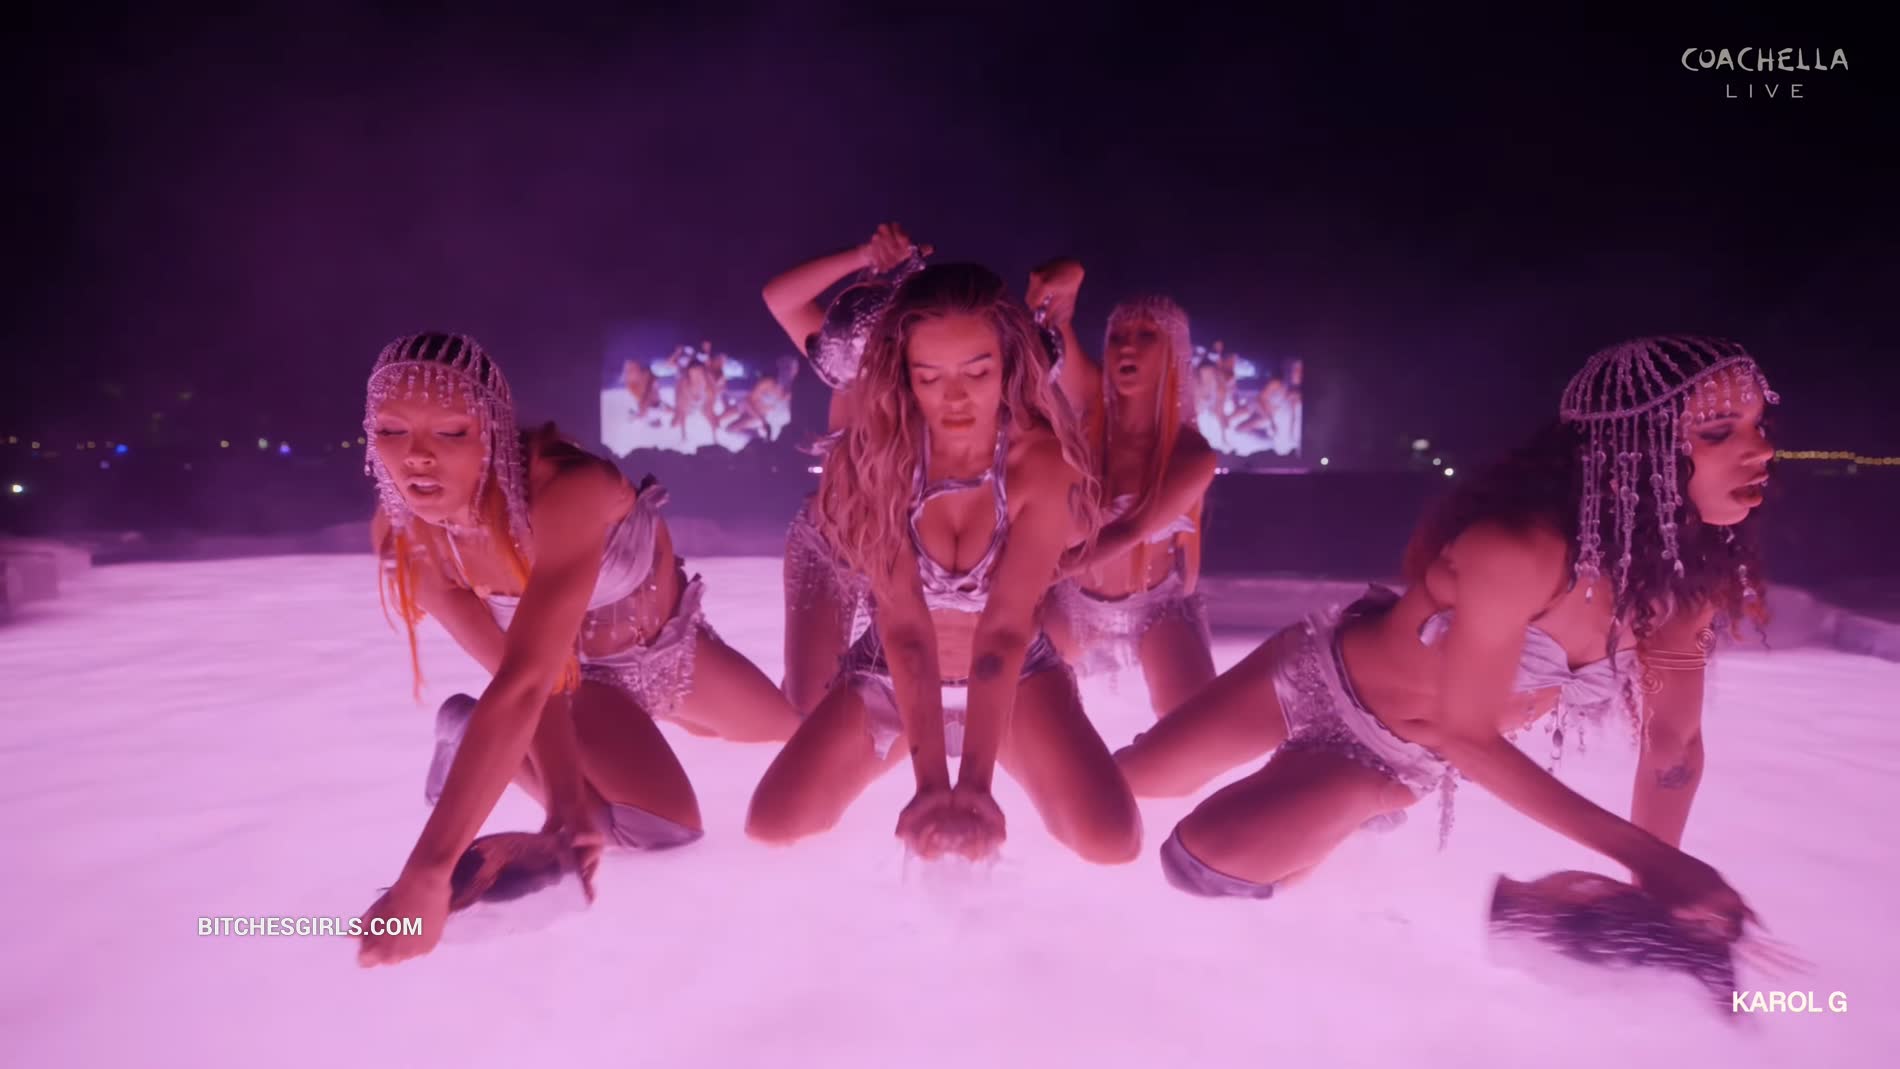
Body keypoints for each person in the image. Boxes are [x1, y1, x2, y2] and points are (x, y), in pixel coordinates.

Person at [1118, 335, 1775, 944]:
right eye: (1719, 431)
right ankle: (1163, 657)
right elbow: (1470, 735)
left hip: (1392, 764)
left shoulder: (1678, 596)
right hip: (1317, 676)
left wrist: (1654, 894)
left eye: (1757, 425)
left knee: (1196, 864)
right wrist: (1653, 861)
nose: (1761, 450)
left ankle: (1338, 804)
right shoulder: (1520, 550)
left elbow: (1672, 747)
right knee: (1135, 782)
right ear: (1627, 450)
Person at [355, 332, 800, 966]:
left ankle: (494, 741)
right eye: (391, 431)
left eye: (450, 432)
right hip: (578, 679)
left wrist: (563, 806)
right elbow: (518, 677)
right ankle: (469, 733)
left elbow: (523, 682)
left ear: (490, 429)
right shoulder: (407, 536)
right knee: (664, 830)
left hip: (670, 650)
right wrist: (444, 863)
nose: (417, 457)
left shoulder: (568, 490)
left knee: (789, 731)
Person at [745, 264, 1141, 864]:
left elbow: (1004, 629)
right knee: (773, 824)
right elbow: (904, 628)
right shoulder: (878, 459)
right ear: (904, 375)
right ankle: (910, 737)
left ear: (1008, 363)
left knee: (1111, 843)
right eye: (929, 377)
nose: (954, 398)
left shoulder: (1040, 465)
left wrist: (975, 785)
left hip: (1016, 677)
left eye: (977, 373)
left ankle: (1000, 740)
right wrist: (930, 784)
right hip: (890, 673)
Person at [761, 222, 932, 713]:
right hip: (828, 540)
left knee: (911, 697)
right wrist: (861, 256)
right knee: (805, 705)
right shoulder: (847, 366)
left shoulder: (940, 383)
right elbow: (780, 298)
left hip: (908, 552)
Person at [1043, 295, 1219, 718]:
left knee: (1192, 726)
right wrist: (1062, 299)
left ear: (1173, 352)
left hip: (1154, 606)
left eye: (1146, 337)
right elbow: (1061, 336)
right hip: (1073, 602)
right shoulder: (1087, 418)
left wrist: (1040, 570)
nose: (1127, 347)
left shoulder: (1191, 454)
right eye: (1118, 337)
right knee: (1008, 699)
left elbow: (1131, 530)